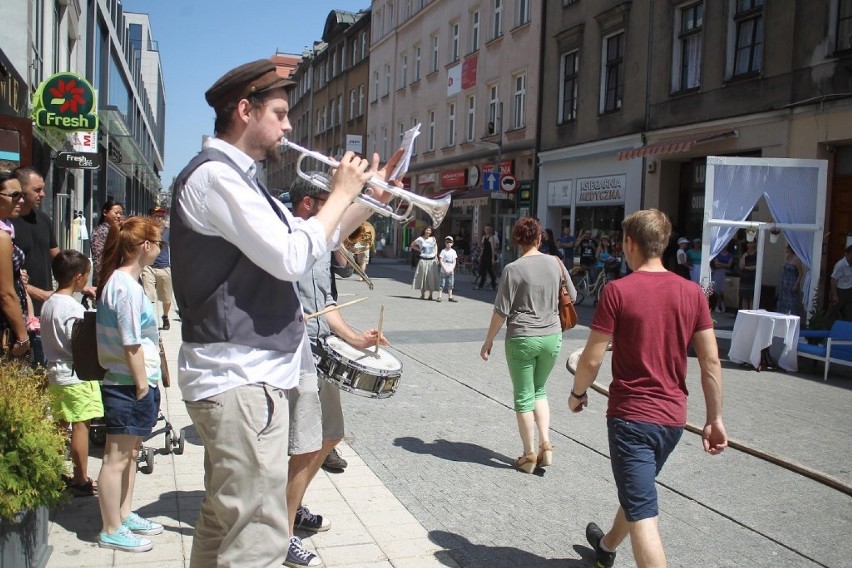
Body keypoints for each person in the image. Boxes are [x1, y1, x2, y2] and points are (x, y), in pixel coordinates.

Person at [170, 59, 398, 567]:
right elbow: (292, 256)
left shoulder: (242, 181)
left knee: (221, 527)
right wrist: (340, 192)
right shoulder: (216, 178)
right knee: (257, 541)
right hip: (239, 381)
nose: (289, 126)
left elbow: (313, 245)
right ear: (245, 111)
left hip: (248, 379)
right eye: (279, 112)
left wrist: (369, 199)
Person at [568, 209, 727, 568]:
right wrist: (715, 418)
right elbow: (711, 362)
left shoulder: (617, 291)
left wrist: (577, 394)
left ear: (629, 243)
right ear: (665, 243)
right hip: (672, 420)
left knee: (644, 514)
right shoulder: (693, 293)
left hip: (632, 420)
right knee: (639, 492)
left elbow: (591, 360)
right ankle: (607, 546)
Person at [286, 173, 389, 567]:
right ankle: (283, 530)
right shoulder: (289, 239)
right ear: (309, 204)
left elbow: (326, 304)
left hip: (319, 347)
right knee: (302, 444)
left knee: (329, 435)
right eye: (330, 201)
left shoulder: (319, 242)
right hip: (293, 354)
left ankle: (289, 508)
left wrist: (355, 339)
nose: (337, 208)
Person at [480, 216, 576, 473]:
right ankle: (546, 443)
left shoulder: (513, 269)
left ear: (517, 241)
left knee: (524, 397)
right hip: (552, 336)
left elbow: (501, 311)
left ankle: (529, 454)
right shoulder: (556, 263)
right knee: (540, 390)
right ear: (539, 238)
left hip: (522, 337)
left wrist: (488, 341)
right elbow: (573, 296)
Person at [95, 216, 164, 552]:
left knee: (131, 453)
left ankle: (123, 514)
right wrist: (141, 385)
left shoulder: (128, 283)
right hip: (126, 384)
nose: (161, 249)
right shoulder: (123, 286)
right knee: (116, 458)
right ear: (146, 246)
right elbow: (130, 342)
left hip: (135, 381)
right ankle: (111, 527)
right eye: (159, 243)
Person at [41, 250, 102, 497]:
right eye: (86, 276)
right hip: (75, 375)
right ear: (78, 278)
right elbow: (77, 342)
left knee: (58, 425)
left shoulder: (49, 303)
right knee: (80, 427)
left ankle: (53, 471)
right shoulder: (72, 308)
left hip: (54, 373)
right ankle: (80, 478)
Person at [11, 167, 60, 365]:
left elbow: (57, 259)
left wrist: (79, 284)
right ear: (20, 190)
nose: (43, 194)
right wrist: (37, 292)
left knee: (43, 370)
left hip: (45, 310)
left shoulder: (44, 219)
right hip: (18, 312)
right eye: (37, 190)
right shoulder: (7, 224)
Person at [0, 172, 31, 359]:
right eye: (14, 195)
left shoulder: (7, 228)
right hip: (6, 324)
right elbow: (5, 293)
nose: (20, 200)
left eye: (22, 195)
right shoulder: (2, 237)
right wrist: (22, 337)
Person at [141, 206, 173, 330]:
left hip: (164, 266)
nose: (159, 219)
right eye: (156, 216)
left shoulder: (169, 231)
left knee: (167, 298)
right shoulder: (146, 231)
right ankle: (149, 320)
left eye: (162, 217)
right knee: (148, 296)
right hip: (148, 267)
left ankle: (165, 316)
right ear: (151, 217)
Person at [91, 199, 124, 284]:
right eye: (116, 213)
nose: (119, 216)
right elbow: (98, 258)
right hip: (106, 278)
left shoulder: (117, 230)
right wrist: (102, 279)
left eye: (121, 213)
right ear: (105, 212)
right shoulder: (100, 231)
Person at [411, 226, 440, 300]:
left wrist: (436, 254)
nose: (428, 231)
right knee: (422, 277)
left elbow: (435, 245)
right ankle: (422, 294)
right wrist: (419, 250)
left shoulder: (433, 239)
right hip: (423, 260)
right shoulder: (420, 239)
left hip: (431, 260)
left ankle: (430, 295)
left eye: (429, 230)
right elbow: (412, 245)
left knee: (431, 277)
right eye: (427, 230)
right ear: (424, 230)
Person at [826, 245, 852, 325]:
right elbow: (833, 279)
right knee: (832, 314)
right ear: (846, 254)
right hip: (840, 291)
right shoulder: (840, 265)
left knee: (848, 315)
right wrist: (835, 295)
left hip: (849, 291)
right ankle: (824, 332)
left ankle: (846, 334)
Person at [776, 245, 804, 315]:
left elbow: (800, 273)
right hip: (785, 282)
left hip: (792, 282)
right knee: (783, 302)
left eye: (787, 249)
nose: (786, 250)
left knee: (791, 303)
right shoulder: (787, 258)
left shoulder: (797, 260)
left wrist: (796, 284)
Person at [474, 225, 499, 290]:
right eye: (485, 229)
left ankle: (493, 285)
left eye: (488, 229)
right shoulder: (484, 237)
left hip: (489, 255)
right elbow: (483, 247)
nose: (486, 230)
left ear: (490, 230)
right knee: (483, 270)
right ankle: (480, 285)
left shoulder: (491, 238)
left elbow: (493, 249)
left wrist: (493, 258)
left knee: (490, 270)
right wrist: (480, 255)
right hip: (484, 255)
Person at [710, 244, 733, 313]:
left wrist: (720, 264)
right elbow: (715, 264)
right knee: (716, 290)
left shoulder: (730, 255)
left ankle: (718, 305)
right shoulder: (717, 254)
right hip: (717, 273)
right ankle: (720, 304)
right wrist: (724, 265)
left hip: (725, 274)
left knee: (723, 290)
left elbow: (729, 265)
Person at [739, 240, 758, 310]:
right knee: (744, 297)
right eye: (749, 243)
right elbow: (741, 267)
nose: (750, 245)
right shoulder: (744, 254)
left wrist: (747, 268)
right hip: (744, 278)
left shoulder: (757, 254)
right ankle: (744, 313)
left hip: (752, 278)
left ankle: (751, 313)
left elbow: (757, 266)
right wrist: (744, 257)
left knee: (751, 297)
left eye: (752, 243)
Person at [438, 235, 458, 302]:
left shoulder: (453, 251)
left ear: (452, 243)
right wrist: (444, 268)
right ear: (445, 243)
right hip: (443, 270)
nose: (448, 243)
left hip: (451, 271)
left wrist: (452, 269)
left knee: (450, 284)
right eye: (447, 242)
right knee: (441, 284)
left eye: (450, 242)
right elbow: (441, 260)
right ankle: (439, 296)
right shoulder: (443, 251)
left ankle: (450, 297)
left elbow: (454, 261)